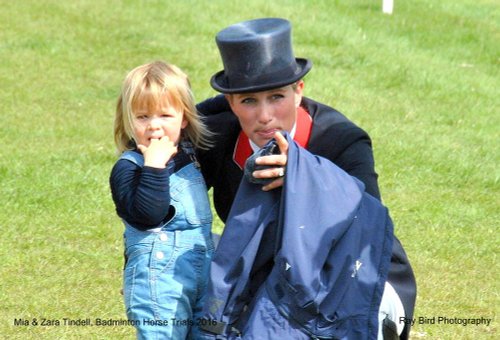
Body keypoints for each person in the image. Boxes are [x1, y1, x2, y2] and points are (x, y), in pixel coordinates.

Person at [195, 18, 416, 339]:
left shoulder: (342, 139)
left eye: (276, 97)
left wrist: (305, 177)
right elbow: (151, 163)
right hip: (270, 276)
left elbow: (367, 222)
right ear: (230, 102)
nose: (265, 115)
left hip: (355, 270)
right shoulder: (219, 134)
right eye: (248, 100)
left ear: (298, 91)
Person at [110, 61, 214, 339]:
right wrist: (154, 166)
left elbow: (218, 109)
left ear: (184, 118)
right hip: (157, 282)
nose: (154, 126)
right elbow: (148, 214)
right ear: (128, 119)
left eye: (165, 115)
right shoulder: (129, 167)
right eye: (142, 117)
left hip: (203, 272)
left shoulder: (189, 153)